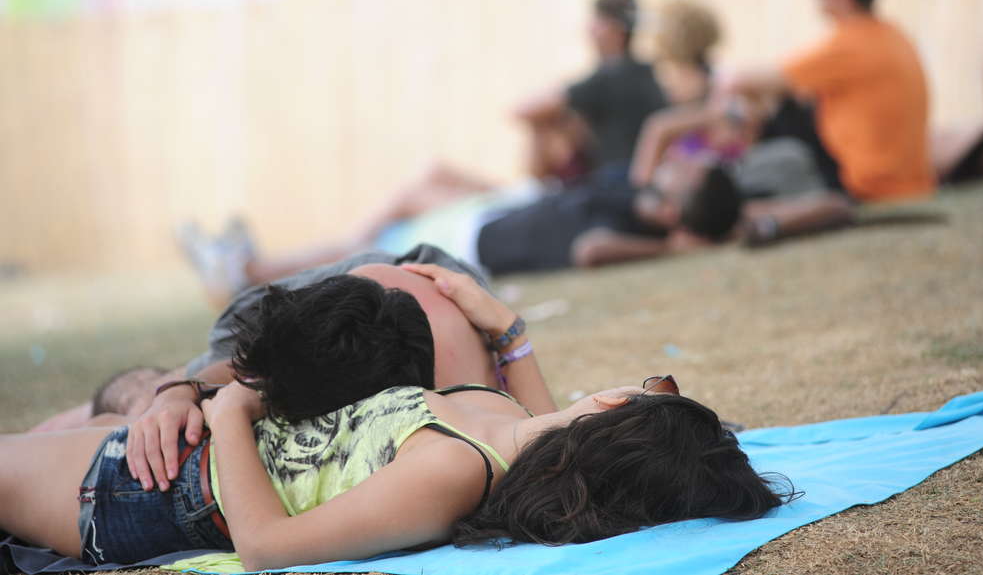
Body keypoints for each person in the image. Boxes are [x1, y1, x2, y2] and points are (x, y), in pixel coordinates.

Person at [0, 265, 792, 571]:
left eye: (655, 381)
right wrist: (508, 330)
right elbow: (552, 424)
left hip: (153, 487)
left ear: (621, 402)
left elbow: (269, 548)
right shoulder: (503, 427)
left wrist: (234, 407)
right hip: (180, 459)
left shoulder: (453, 468)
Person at [31, 244, 560, 496]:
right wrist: (176, 394)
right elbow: (234, 374)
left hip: (404, 303)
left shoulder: (445, 426)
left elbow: (544, 446)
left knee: (149, 410)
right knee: (142, 401)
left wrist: (513, 333)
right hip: (360, 300)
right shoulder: (455, 418)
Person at [179, 154, 743, 303]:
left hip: (480, 238)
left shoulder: (629, 229)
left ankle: (244, 269)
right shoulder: (635, 191)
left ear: (675, 213)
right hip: (511, 207)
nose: (683, 158)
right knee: (427, 178)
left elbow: (593, 250)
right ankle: (241, 264)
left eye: (688, 170)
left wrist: (670, 246)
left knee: (371, 245)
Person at [717, 0, 935, 203]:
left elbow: (739, 81)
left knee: (780, 107)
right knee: (787, 99)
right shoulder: (892, 34)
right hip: (909, 181)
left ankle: (741, 182)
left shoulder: (849, 43)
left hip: (867, 184)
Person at [630, 0, 854, 247]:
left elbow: (739, 140)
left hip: (724, 189)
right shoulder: (678, 93)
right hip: (688, 196)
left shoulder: (725, 87)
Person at [516, 0, 667, 183]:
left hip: (615, 178)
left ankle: (540, 186)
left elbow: (525, 110)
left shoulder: (610, 76)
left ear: (613, 29)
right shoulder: (645, 71)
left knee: (543, 120)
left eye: (596, 22)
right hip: (629, 174)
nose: (589, 30)